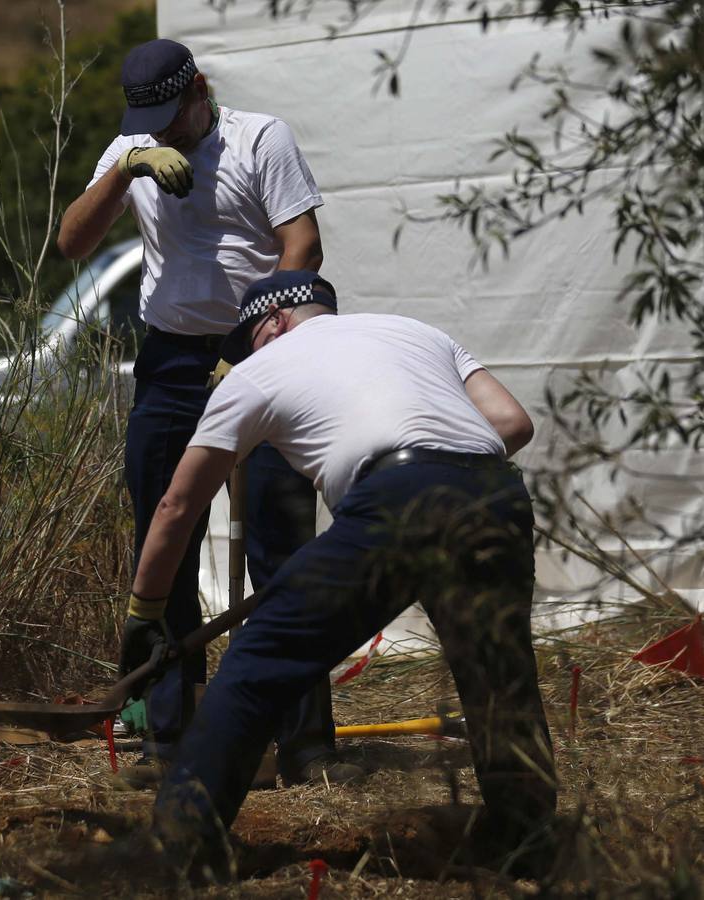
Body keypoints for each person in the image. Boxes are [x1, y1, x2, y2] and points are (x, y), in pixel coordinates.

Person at [123, 270, 557, 878]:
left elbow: (175, 507)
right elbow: (513, 424)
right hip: (494, 495)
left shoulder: (260, 370)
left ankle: (178, 849)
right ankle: (529, 846)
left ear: (272, 322)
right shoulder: (417, 332)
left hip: (396, 493)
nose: (243, 357)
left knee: (255, 667)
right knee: (497, 676)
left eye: (245, 341)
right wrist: (440, 473)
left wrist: (144, 614)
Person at [58, 38, 350, 786]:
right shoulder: (134, 148)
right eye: (147, 123)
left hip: (265, 351)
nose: (164, 134)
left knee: (282, 549)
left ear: (202, 92)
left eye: (172, 119)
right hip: (171, 363)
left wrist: (255, 336)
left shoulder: (261, 138)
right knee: (165, 540)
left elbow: (302, 245)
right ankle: (171, 738)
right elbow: (70, 241)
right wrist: (124, 171)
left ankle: (306, 744)